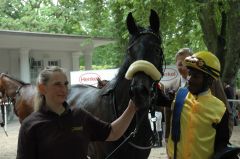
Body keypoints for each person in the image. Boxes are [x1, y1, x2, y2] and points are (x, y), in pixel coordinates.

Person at [16, 66, 139, 159]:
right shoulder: (30, 124)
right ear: (42, 88)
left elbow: (112, 132)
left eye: (65, 84)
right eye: (57, 84)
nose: (63, 89)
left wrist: (132, 107)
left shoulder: (79, 115)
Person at [167, 51, 230, 159]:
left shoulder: (220, 109)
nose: (190, 79)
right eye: (190, 74)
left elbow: (221, 146)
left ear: (209, 81)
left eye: (196, 76)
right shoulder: (180, 95)